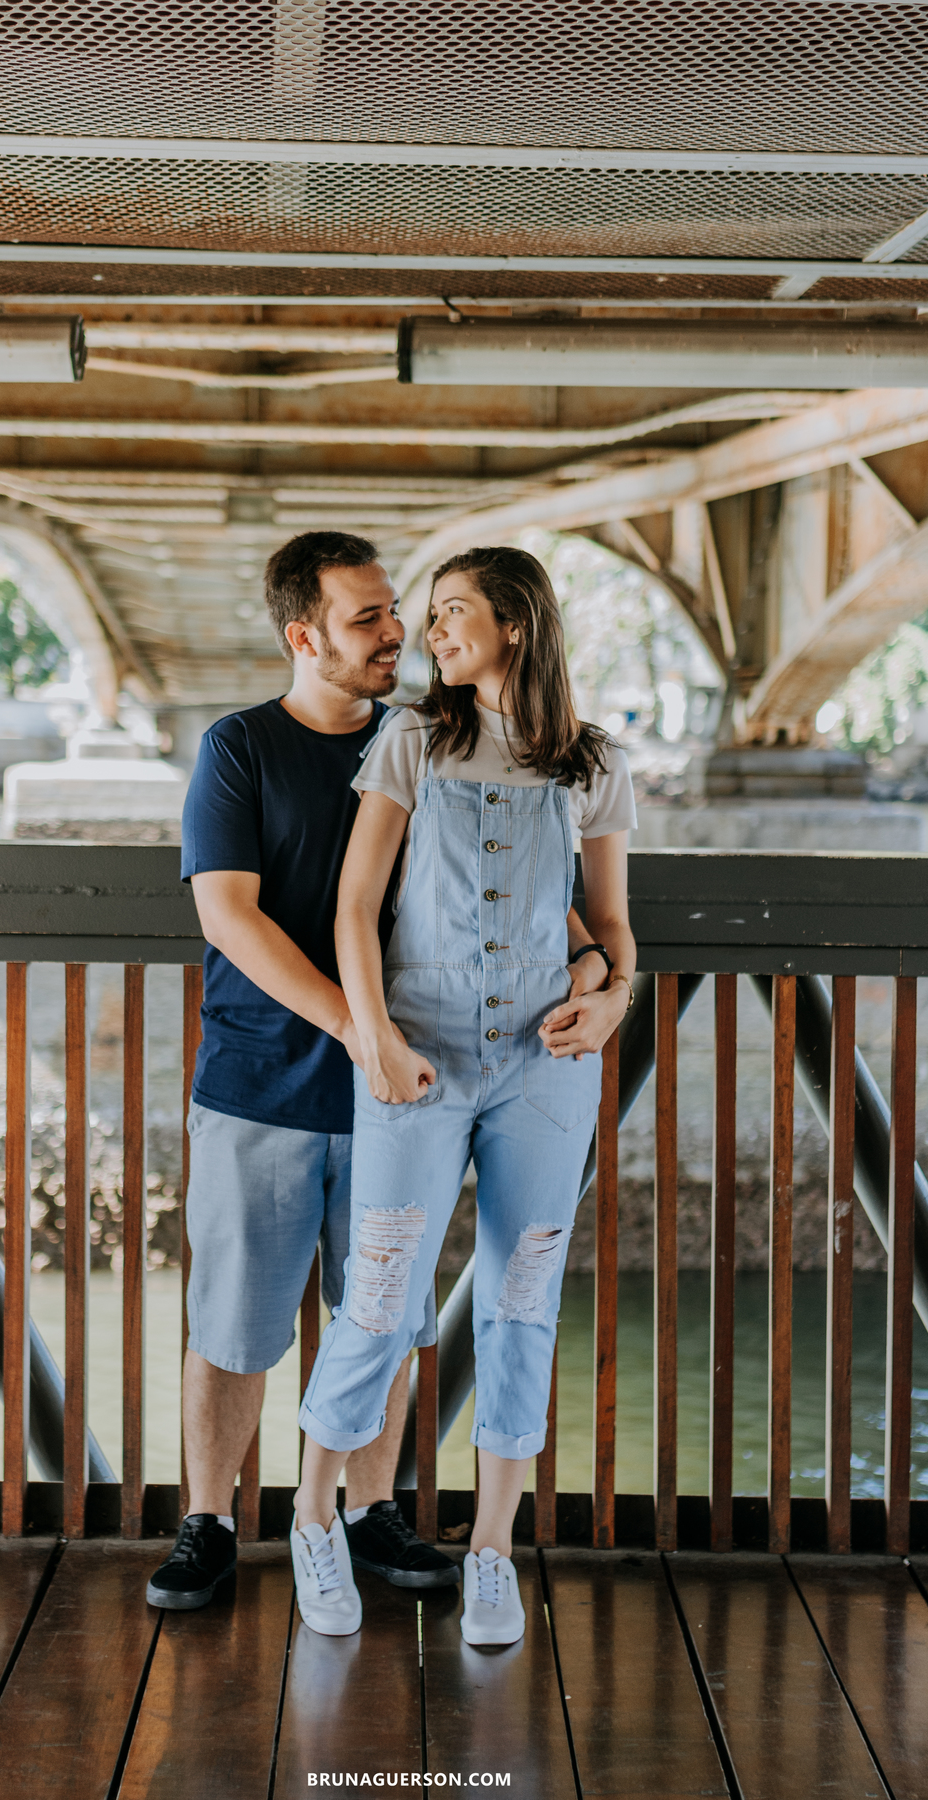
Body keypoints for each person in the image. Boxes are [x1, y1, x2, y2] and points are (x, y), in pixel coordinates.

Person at [291, 545, 637, 1644]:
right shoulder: (411, 742)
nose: (431, 633)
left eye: (452, 613)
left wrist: (615, 997)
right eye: (429, 616)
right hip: (418, 1061)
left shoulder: (593, 763)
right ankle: (312, 1519)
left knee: (522, 1301)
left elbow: (616, 934)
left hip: (547, 1068)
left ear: (517, 625)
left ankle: (493, 1550)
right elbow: (355, 912)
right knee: (381, 1293)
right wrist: (375, 1040)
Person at [146, 531, 459, 1611]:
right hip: (260, 1088)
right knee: (235, 1324)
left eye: (393, 611)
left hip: (402, 1097)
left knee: (389, 1317)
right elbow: (227, 914)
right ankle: (209, 1523)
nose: (395, 632)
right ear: (302, 635)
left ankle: (369, 1515)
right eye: (367, 617)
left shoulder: (424, 743)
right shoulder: (239, 748)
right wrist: (355, 1026)